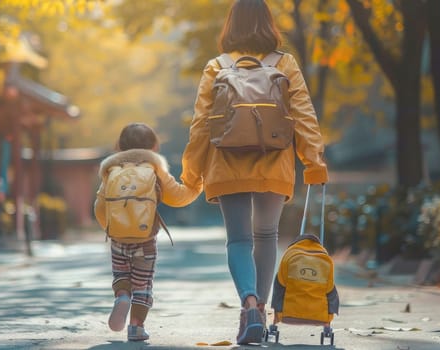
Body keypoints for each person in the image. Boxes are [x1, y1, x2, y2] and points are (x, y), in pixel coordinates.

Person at [180, 0, 329, 345]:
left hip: (226, 163)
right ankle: (260, 311)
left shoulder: (216, 66)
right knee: (266, 235)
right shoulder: (285, 63)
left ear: (230, 25)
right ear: (269, 24)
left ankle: (248, 304)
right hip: (274, 161)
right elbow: (303, 114)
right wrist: (313, 161)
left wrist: (192, 173)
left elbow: (201, 125)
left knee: (238, 239)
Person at [93, 122, 201, 342]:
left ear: (119, 146)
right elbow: (177, 197)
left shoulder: (112, 170)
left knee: (122, 275)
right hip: (145, 240)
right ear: (154, 146)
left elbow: (100, 207)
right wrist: (197, 186)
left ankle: (122, 297)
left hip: (118, 239)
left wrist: (110, 227)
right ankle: (136, 326)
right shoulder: (154, 168)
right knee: (143, 282)